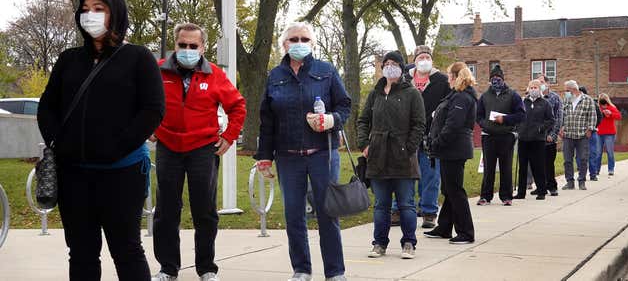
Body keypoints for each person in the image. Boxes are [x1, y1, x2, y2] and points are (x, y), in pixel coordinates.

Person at [37, 0, 165, 281]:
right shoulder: (69, 59)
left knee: (127, 250)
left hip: (122, 172)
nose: (90, 16)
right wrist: (57, 141)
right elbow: (47, 106)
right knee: (81, 253)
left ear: (115, 14)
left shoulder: (138, 58)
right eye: (85, 10)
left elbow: (153, 109)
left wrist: (116, 147)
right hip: (74, 174)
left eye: (99, 9)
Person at [255, 22, 351, 281]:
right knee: (294, 215)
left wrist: (332, 120)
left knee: (328, 213)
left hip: (322, 153)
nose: (299, 43)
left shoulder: (327, 71)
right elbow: (267, 120)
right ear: (284, 44)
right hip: (287, 156)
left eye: (304, 39)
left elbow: (344, 105)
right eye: (294, 39)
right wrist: (264, 155)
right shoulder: (275, 76)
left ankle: (335, 272)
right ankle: (301, 269)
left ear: (312, 43)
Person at [150, 23, 247, 281]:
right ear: (175, 45)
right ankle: (168, 269)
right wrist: (148, 127)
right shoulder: (157, 70)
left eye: (194, 46)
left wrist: (229, 137)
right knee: (166, 211)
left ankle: (206, 268)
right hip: (168, 148)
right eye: (183, 45)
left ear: (203, 48)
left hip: (203, 150)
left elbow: (237, 106)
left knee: (204, 211)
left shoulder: (214, 74)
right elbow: (142, 102)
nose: (188, 50)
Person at [357, 51, 426, 260]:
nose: (390, 67)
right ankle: (379, 243)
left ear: (402, 67)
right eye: (386, 63)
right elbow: (363, 121)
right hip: (378, 157)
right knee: (381, 204)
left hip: (403, 157)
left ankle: (408, 242)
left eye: (394, 63)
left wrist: (409, 147)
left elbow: (419, 124)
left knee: (406, 203)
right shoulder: (375, 94)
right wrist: (365, 144)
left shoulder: (412, 93)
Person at [391, 45, 450, 229]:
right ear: (414, 60)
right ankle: (399, 209)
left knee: (430, 175)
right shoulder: (403, 79)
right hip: (406, 135)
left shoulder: (441, 80)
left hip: (431, 134)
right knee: (403, 173)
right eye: (420, 57)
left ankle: (429, 212)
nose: (424, 60)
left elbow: (447, 104)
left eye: (427, 57)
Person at [423, 62, 477, 244]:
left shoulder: (462, 98)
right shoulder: (456, 95)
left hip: (454, 149)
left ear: (455, 76)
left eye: (449, 75)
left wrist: (438, 142)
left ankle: (466, 232)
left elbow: (453, 125)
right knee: (449, 189)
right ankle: (445, 226)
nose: (447, 79)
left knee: (455, 190)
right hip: (450, 149)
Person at [476, 65, 526, 206]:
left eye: (498, 78)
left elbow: (521, 115)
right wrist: (484, 124)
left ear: (503, 79)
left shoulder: (513, 95)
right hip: (489, 136)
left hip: (506, 136)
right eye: (492, 79)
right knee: (489, 168)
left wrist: (505, 119)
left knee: (506, 167)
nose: (495, 81)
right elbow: (478, 115)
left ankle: (506, 196)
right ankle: (485, 196)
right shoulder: (485, 96)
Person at [513, 80, 554, 200]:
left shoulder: (545, 103)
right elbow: (517, 117)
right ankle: (521, 192)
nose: (533, 89)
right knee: (523, 167)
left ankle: (541, 191)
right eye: (531, 87)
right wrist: (518, 129)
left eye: (535, 87)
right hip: (523, 139)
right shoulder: (522, 102)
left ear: (539, 89)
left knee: (538, 166)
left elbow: (551, 120)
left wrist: (541, 128)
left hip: (538, 140)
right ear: (528, 89)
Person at [560, 80, 597, 190]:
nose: (565, 92)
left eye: (567, 90)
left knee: (583, 159)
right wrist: (561, 127)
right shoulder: (566, 100)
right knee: (567, 160)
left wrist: (590, 129)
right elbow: (562, 114)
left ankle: (582, 181)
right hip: (568, 135)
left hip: (582, 135)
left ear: (573, 90)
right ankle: (570, 182)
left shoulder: (587, 100)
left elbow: (592, 116)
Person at [537, 75, 562, 196]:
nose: (540, 84)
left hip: (549, 138)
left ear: (548, 84)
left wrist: (552, 134)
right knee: (537, 164)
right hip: (536, 137)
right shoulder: (534, 98)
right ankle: (541, 186)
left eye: (542, 82)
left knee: (548, 164)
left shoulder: (555, 98)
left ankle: (552, 186)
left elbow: (558, 118)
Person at [579, 86, 603, 181]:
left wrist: (592, 128)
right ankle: (582, 174)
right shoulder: (575, 103)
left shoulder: (593, 103)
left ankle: (593, 174)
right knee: (580, 155)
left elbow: (599, 117)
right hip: (580, 133)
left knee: (592, 153)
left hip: (592, 133)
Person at [596, 93, 622, 176]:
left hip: (609, 134)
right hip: (598, 133)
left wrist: (611, 114)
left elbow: (619, 116)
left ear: (607, 101)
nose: (603, 104)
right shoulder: (597, 108)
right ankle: (597, 170)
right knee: (598, 152)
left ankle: (611, 169)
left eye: (605, 102)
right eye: (601, 102)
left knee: (610, 152)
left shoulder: (612, 107)